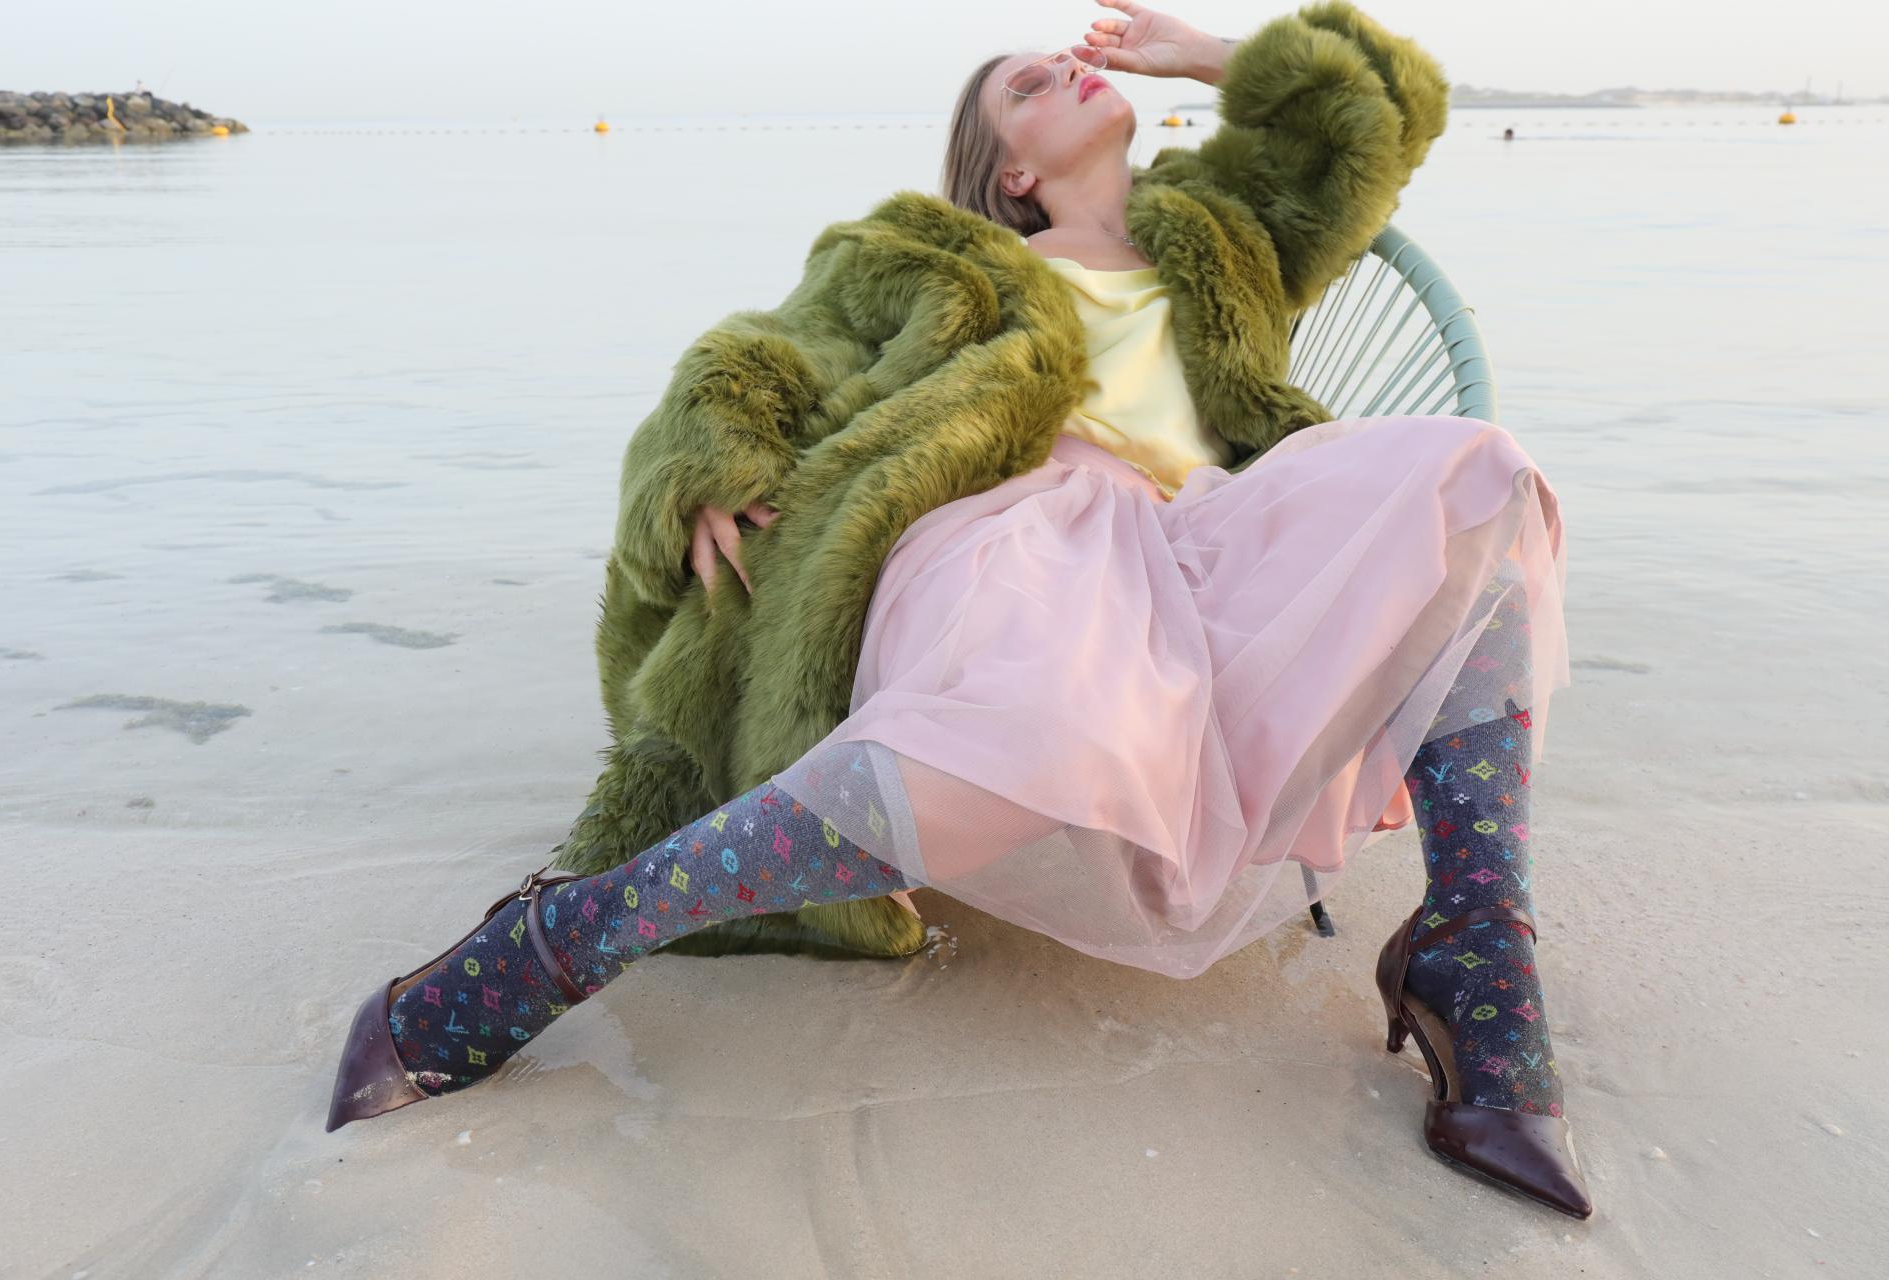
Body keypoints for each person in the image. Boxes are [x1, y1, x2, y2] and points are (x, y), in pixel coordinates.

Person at [325, 0, 1592, 1221]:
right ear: (1010, 172)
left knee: (1483, 474)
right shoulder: (933, 261)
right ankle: (570, 933)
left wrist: (1204, 53)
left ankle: (1476, 951)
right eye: (1025, 86)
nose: (1065, 70)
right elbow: (765, 355)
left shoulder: (1229, 237)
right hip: (1017, 536)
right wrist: (708, 462)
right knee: (1047, 711)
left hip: (1208, 543)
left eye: (1064, 62)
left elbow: (1375, 117)